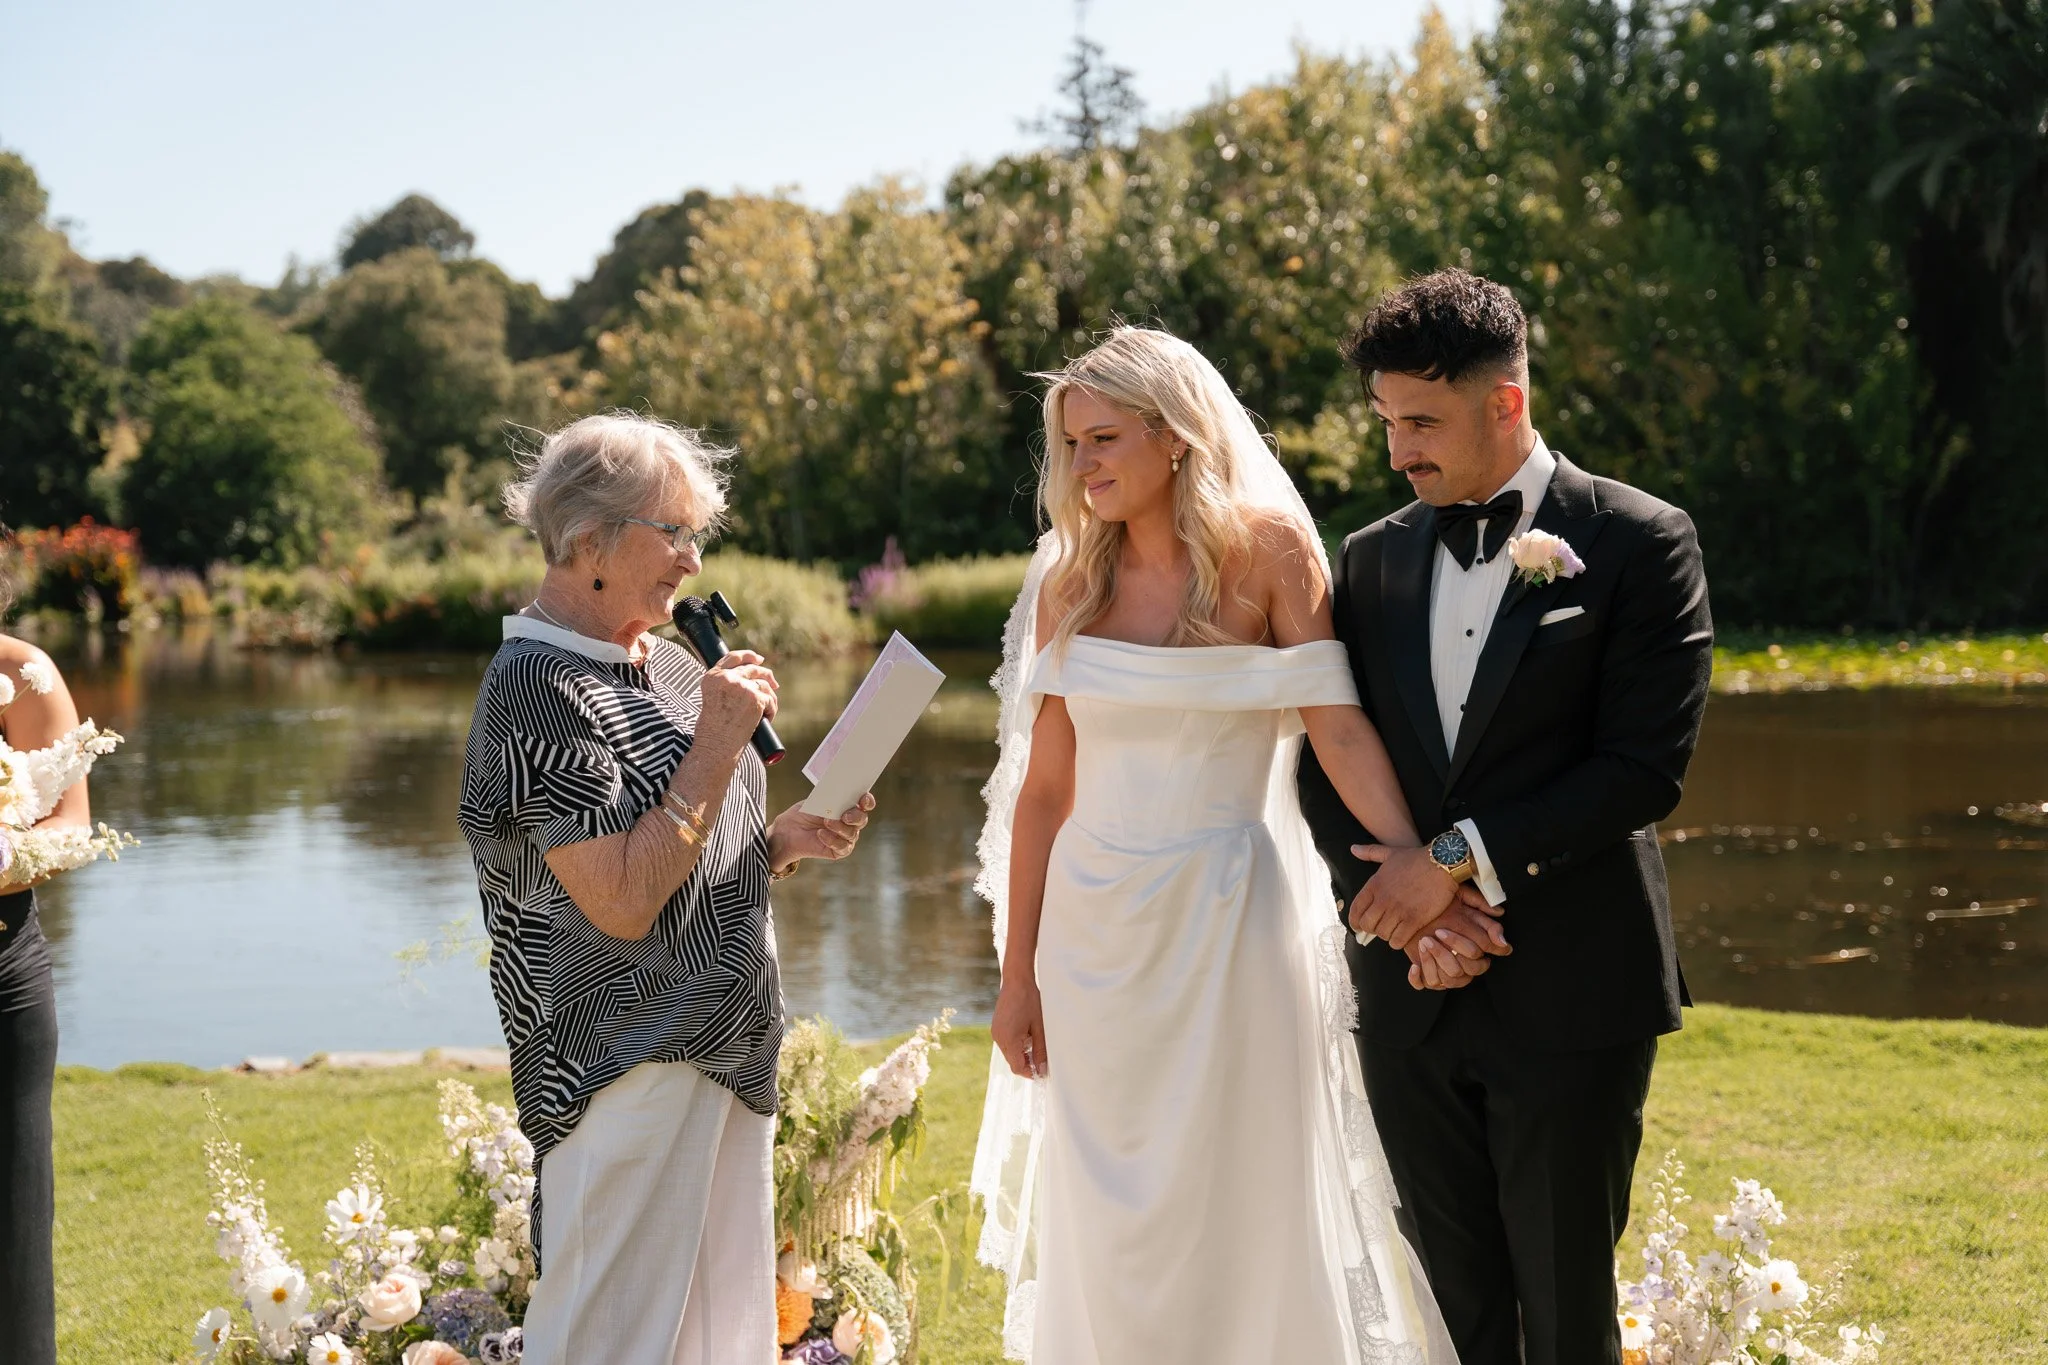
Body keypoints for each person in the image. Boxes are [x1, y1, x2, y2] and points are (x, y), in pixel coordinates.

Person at [971, 326, 1496, 1363]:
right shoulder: (1069, 580)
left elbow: (1338, 729)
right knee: (1112, 1212)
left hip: (1231, 917)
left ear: (1173, 436)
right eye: (1071, 444)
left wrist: (1421, 874)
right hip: (1091, 940)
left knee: (1246, 1188)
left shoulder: (1269, 551)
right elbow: (1043, 794)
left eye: (1104, 438)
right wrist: (1016, 975)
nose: (1082, 465)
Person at [1298, 269, 1714, 1365]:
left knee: (1567, 1316)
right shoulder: (1369, 558)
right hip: (1410, 997)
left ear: (1506, 403)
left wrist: (1453, 861)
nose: (1399, 451)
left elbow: (1641, 770)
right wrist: (1402, 911)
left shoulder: (1640, 540)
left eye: (1422, 423)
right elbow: (1323, 758)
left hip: (1573, 987)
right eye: (1387, 422)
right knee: (1450, 1315)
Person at [456, 412, 876, 1365]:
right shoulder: (536, 686)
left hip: (729, 1046)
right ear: (589, 540)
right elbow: (620, 900)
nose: (692, 560)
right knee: (609, 1341)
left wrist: (778, 843)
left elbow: (685, 850)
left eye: (697, 534)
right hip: (620, 1066)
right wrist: (718, 744)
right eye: (673, 532)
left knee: (718, 1339)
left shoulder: (672, 662)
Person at [0, 573, 86, 1365]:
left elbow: (72, 824)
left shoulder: (24, 673)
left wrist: (5, 853)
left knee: (13, 1233)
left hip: (2, 977)